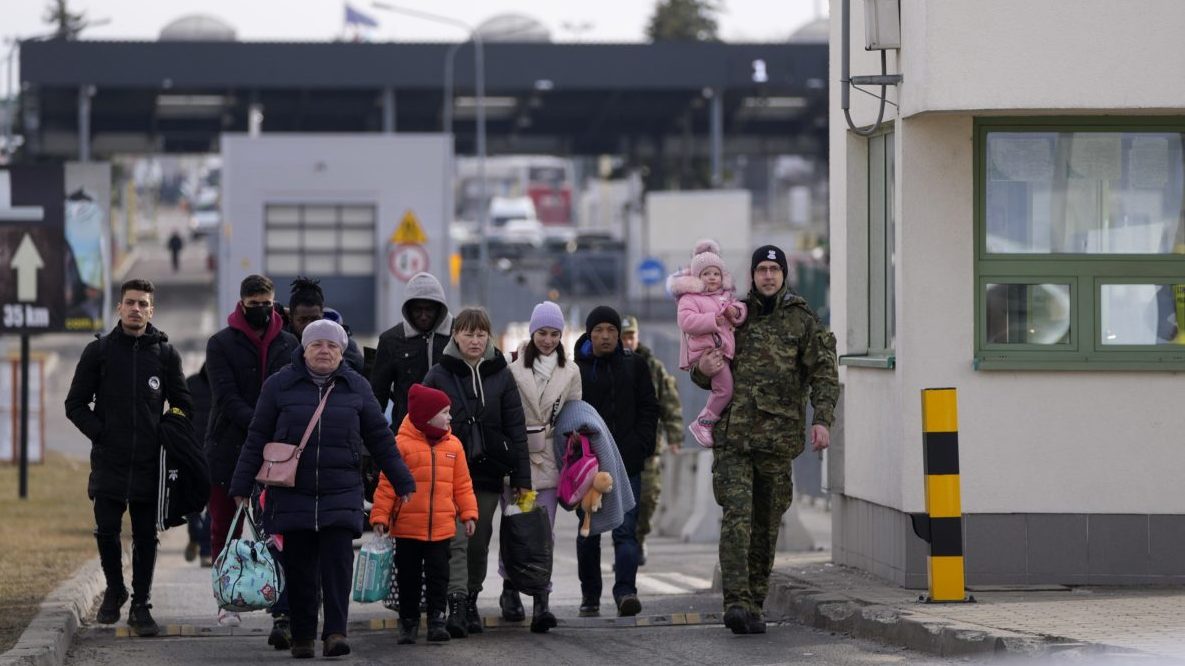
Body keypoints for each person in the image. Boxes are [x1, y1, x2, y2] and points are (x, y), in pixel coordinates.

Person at [230, 319, 415, 659]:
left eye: (332, 345)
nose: (325, 350)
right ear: (304, 348)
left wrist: (402, 479)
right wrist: (242, 485)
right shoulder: (278, 386)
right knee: (299, 569)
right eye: (317, 344)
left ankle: (335, 633)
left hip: (340, 492)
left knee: (337, 568)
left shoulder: (356, 387)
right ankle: (302, 636)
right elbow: (256, 437)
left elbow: (380, 437)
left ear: (342, 351)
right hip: (292, 494)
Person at [691, 244, 838, 635]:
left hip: (777, 440)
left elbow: (824, 373)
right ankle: (735, 602)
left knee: (767, 522)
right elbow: (704, 364)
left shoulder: (802, 320)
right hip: (735, 437)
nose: (768, 276)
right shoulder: (733, 313)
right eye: (762, 270)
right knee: (737, 518)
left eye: (774, 269)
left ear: (784, 274)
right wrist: (703, 371)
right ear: (753, 275)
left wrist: (822, 420)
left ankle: (755, 600)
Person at [64, 278, 193, 637]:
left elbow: (184, 405)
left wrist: (166, 431)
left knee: (145, 536)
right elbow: (74, 405)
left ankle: (140, 604)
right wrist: (101, 433)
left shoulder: (165, 355)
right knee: (106, 531)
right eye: (130, 302)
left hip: (150, 464)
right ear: (119, 307)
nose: (136, 309)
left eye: (143, 304)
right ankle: (115, 589)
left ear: (152, 311)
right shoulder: (99, 352)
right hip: (109, 461)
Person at [203, 274, 300, 636]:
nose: (260, 310)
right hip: (229, 446)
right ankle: (226, 598)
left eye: (266, 303)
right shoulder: (220, 344)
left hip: (277, 450)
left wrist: (274, 431)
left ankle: (278, 599)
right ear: (242, 303)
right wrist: (262, 424)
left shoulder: (289, 342)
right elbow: (225, 397)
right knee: (225, 525)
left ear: (273, 303)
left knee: (275, 528)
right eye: (253, 304)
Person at [423, 308, 529, 637]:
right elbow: (419, 423)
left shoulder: (501, 373)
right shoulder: (438, 374)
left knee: (478, 540)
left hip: (487, 473)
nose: (475, 340)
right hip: (446, 472)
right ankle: (453, 604)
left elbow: (516, 428)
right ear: (455, 335)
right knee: (453, 540)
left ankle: (470, 598)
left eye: (481, 334)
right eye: (468, 333)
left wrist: (523, 479)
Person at [371, 384, 478, 645]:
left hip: (441, 528)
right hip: (408, 527)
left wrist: (469, 514)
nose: (450, 417)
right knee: (408, 578)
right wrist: (380, 517)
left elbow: (462, 485)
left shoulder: (454, 445)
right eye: (445, 412)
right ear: (427, 416)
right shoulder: (401, 445)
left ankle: (437, 620)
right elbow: (387, 484)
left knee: (438, 577)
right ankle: (408, 622)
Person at [572, 306, 658, 618]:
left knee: (625, 531)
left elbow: (650, 408)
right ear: (589, 333)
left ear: (619, 334)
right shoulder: (577, 371)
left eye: (611, 330)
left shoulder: (634, 365)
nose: (605, 336)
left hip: (627, 463)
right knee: (588, 532)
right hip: (587, 469)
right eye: (599, 331)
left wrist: (641, 446)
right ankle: (590, 596)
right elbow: (567, 415)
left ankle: (626, 592)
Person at [506, 301, 582, 632]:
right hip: (521, 464)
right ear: (532, 332)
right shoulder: (513, 369)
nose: (548, 340)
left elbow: (575, 414)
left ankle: (542, 601)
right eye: (542, 333)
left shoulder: (571, 371)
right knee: (519, 527)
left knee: (545, 532)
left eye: (554, 334)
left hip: (550, 460)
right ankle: (510, 590)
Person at [668, 239, 747, 447]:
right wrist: (713, 320)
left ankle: (706, 421)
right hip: (707, 353)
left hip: (722, 351)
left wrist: (736, 312)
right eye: (706, 274)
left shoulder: (725, 297)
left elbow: (741, 311)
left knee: (725, 388)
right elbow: (686, 321)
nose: (712, 278)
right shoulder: (690, 298)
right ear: (697, 278)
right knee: (725, 390)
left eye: (716, 274)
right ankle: (703, 422)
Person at [619, 315, 684, 566]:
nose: (627, 341)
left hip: (648, 447)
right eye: (623, 337)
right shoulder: (610, 365)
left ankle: (640, 536)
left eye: (631, 336)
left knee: (648, 498)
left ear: (637, 337)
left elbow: (669, 401)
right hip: (620, 447)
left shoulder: (653, 367)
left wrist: (675, 434)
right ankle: (625, 551)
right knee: (624, 503)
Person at [370, 272, 453, 429]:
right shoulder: (391, 340)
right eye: (417, 310)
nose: (423, 316)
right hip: (406, 432)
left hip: (452, 433)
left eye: (429, 310)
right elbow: (377, 395)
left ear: (439, 309)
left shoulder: (458, 335)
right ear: (408, 310)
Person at [286, 276, 365, 374]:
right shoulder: (281, 343)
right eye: (302, 320)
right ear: (290, 318)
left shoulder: (342, 342)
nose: (309, 325)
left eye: (315, 319)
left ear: (322, 315)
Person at [184, 363, 213, 568]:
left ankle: (202, 544)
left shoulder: (191, 383)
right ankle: (201, 542)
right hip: (196, 451)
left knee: (205, 504)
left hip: (205, 452)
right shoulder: (191, 383)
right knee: (201, 504)